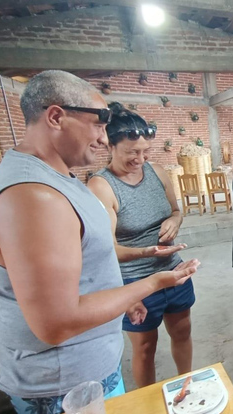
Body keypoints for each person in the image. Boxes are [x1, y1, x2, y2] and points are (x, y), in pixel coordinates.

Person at [0, 70, 199, 414]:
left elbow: (78, 272)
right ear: (55, 116)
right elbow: (56, 322)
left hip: (82, 378)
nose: (101, 137)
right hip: (63, 392)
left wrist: (120, 299)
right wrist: (154, 282)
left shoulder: (55, 178)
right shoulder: (34, 198)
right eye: (97, 124)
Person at [88, 103, 194, 388]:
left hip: (174, 271)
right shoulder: (101, 186)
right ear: (111, 146)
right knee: (145, 346)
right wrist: (148, 252)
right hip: (135, 280)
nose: (140, 159)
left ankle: (186, 385)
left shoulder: (157, 172)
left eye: (146, 152)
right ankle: (147, 403)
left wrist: (175, 220)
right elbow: (106, 251)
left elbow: (176, 210)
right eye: (131, 153)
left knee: (182, 332)